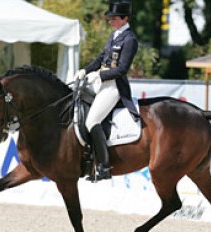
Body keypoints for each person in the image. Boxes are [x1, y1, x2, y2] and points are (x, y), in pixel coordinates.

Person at [74, 1, 139, 181]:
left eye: (114, 18)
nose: (110, 21)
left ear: (125, 18)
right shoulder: (114, 35)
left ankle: (103, 166)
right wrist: (85, 71)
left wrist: (100, 76)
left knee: (91, 121)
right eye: (109, 18)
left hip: (114, 86)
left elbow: (122, 70)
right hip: (100, 82)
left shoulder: (130, 39)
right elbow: (101, 58)